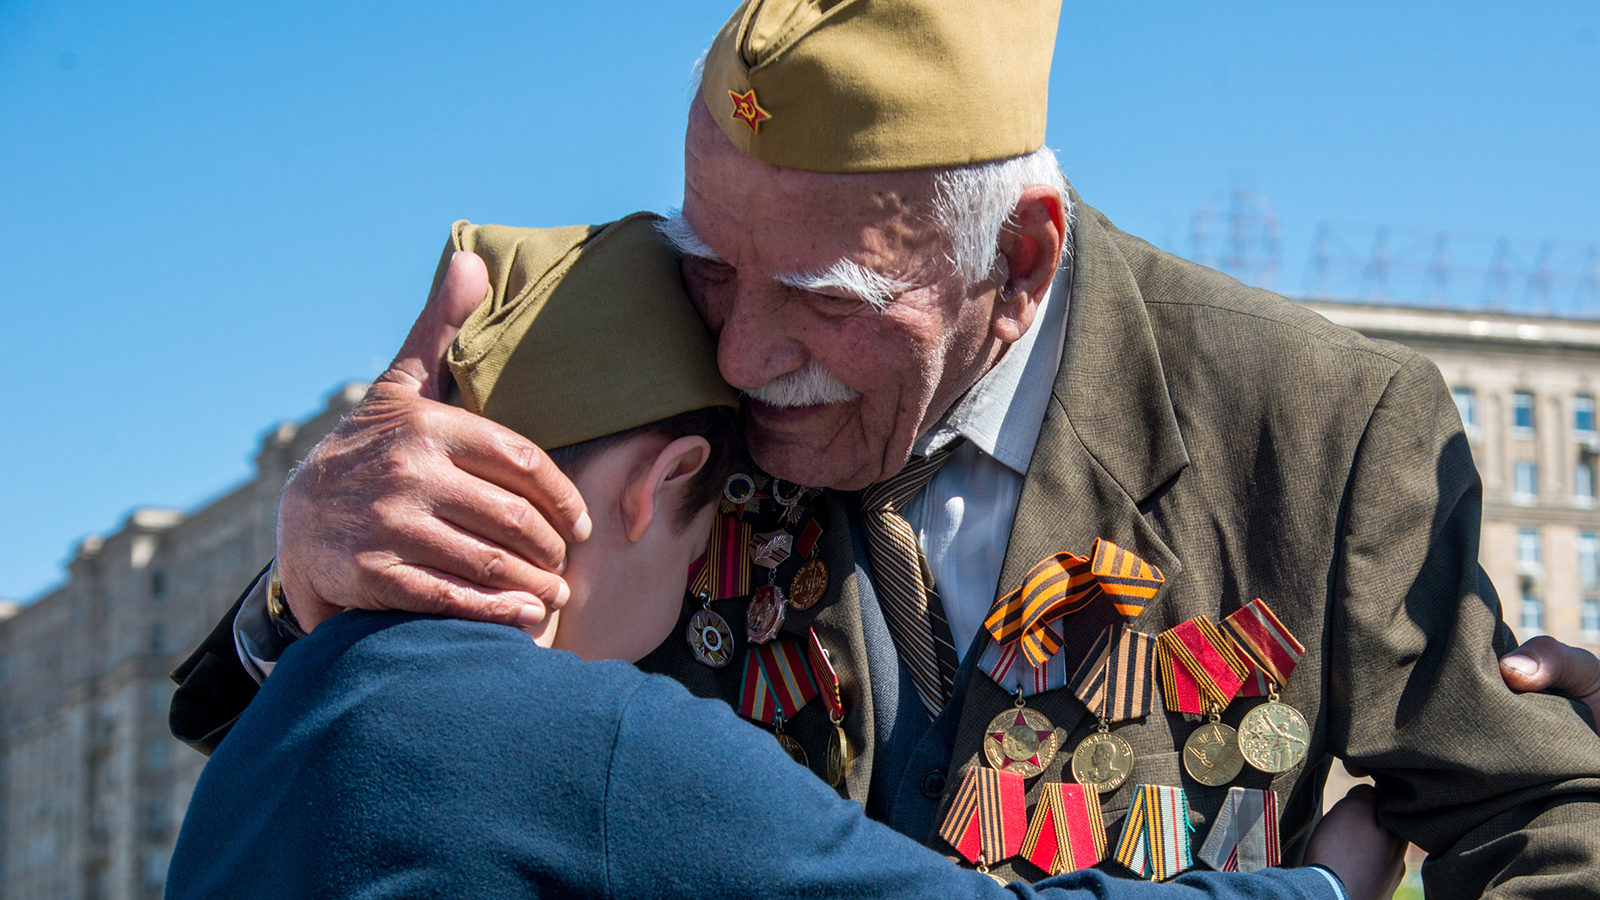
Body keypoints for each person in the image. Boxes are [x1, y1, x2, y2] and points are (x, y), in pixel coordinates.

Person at [171, 1, 1600, 894]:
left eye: (827, 301)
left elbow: (1538, 814)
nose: (738, 358)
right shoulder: (643, 354)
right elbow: (345, 783)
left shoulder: (1313, 427)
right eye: (716, 264)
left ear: (1020, 260)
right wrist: (302, 580)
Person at [166, 215, 1397, 899]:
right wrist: (1319, 892)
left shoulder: (274, 734)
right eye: (720, 524)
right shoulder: (596, 740)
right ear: (671, 485)